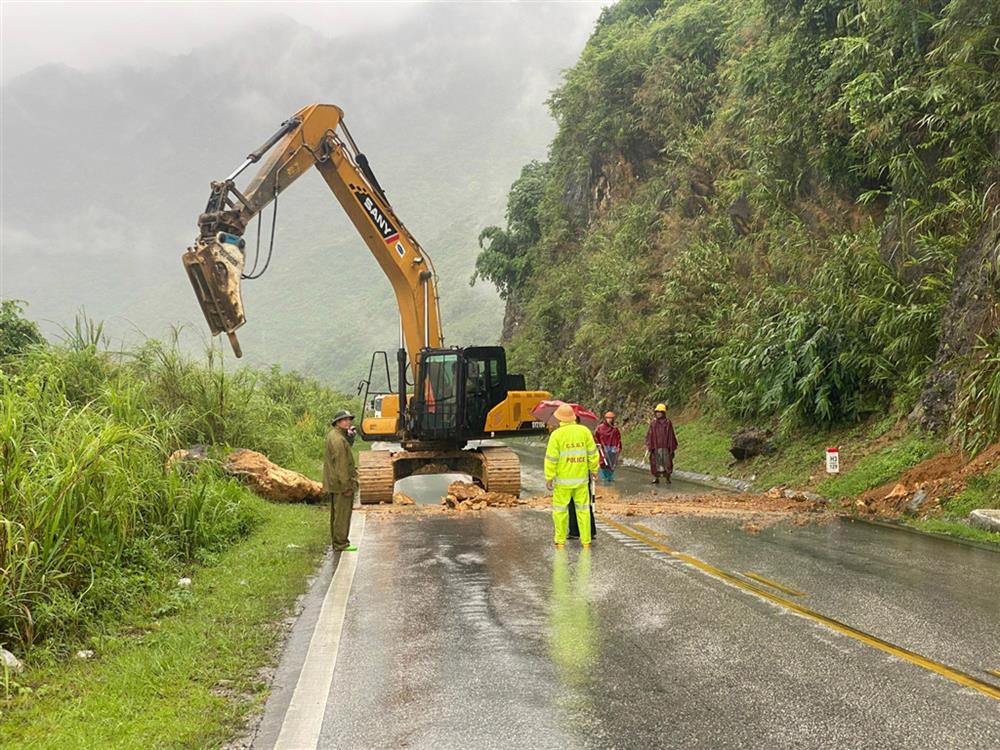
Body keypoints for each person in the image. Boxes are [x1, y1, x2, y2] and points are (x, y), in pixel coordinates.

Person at [544, 403, 599, 548]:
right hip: (581, 480)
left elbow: (551, 459)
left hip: (563, 483)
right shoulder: (584, 431)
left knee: (560, 512)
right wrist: (594, 470)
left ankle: (560, 541)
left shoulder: (556, 435)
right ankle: (586, 541)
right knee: (584, 511)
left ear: (560, 418)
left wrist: (549, 477)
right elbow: (592, 453)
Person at [324, 409, 359, 551]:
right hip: (340, 484)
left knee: (337, 514)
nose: (348, 422)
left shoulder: (335, 436)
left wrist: (350, 437)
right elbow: (341, 465)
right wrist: (347, 486)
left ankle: (337, 542)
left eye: (349, 419)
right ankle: (341, 543)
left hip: (333, 482)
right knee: (342, 515)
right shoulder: (338, 440)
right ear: (337, 422)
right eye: (344, 420)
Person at [645, 403, 677, 484]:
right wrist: (649, 444)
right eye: (657, 412)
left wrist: (671, 446)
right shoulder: (653, 423)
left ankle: (667, 478)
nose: (658, 413)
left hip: (665, 446)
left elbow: (670, 434)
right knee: (655, 462)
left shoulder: (668, 422)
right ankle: (656, 478)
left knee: (667, 462)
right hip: (656, 446)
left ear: (663, 413)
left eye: (660, 412)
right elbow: (650, 434)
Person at [595, 411, 622, 483]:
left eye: (611, 418)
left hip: (612, 449)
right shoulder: (600, 428)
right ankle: (603, 479)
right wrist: (598, 446)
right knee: (603, 463)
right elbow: (596, 438)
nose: (609, 420)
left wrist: (618, 448)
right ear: (605, 419)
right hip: (603, 449)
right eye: (608, 418)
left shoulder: (615, 429)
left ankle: (610, 478)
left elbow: (618, 439)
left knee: (611, 464)